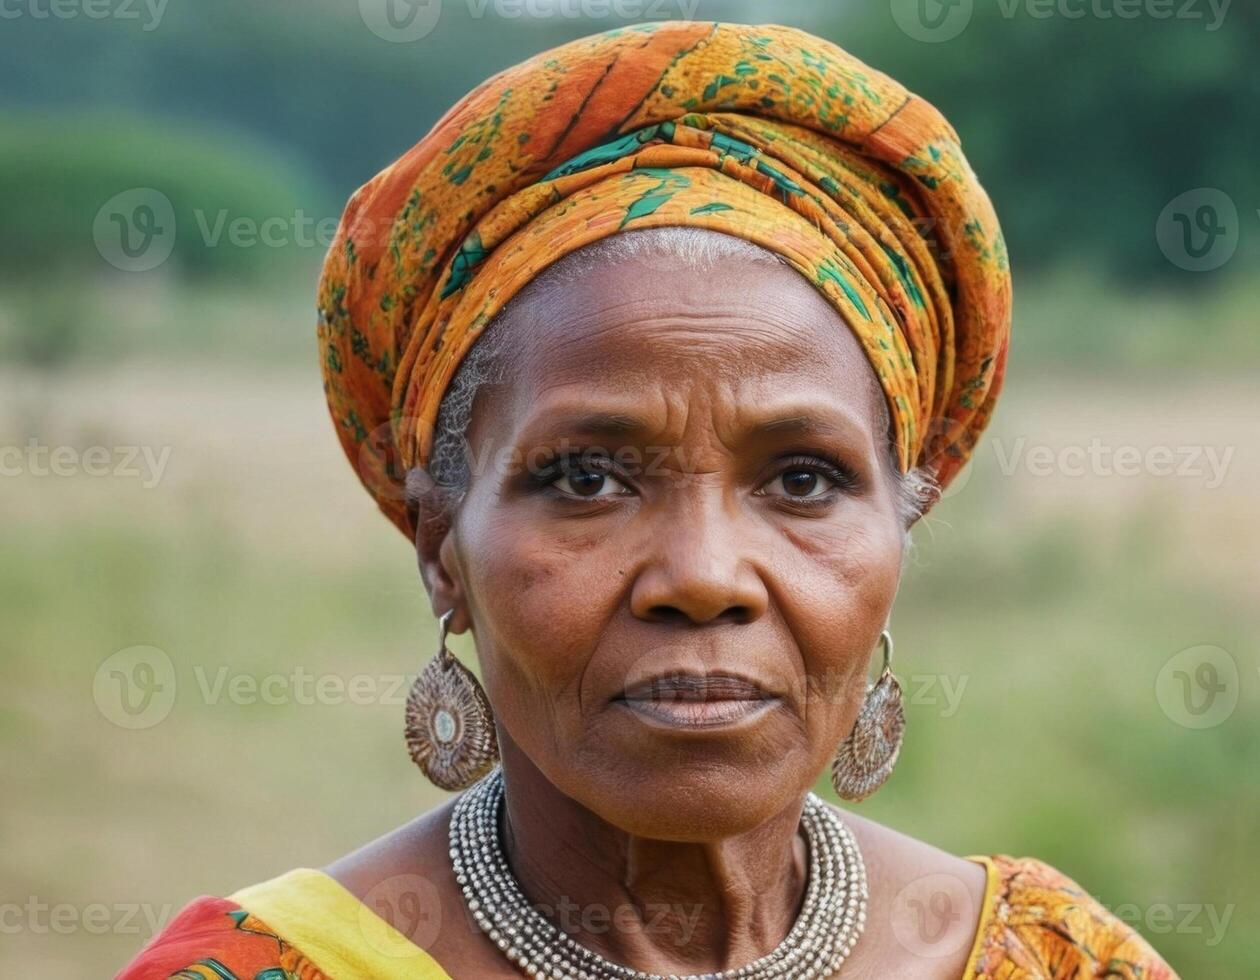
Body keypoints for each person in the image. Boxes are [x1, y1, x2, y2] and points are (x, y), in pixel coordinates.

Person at [120, 20, 1177, 979]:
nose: (705, 576)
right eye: (586, 478)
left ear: (900, 528)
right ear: (442, 543)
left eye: (802, 480)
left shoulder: (1049, 959)